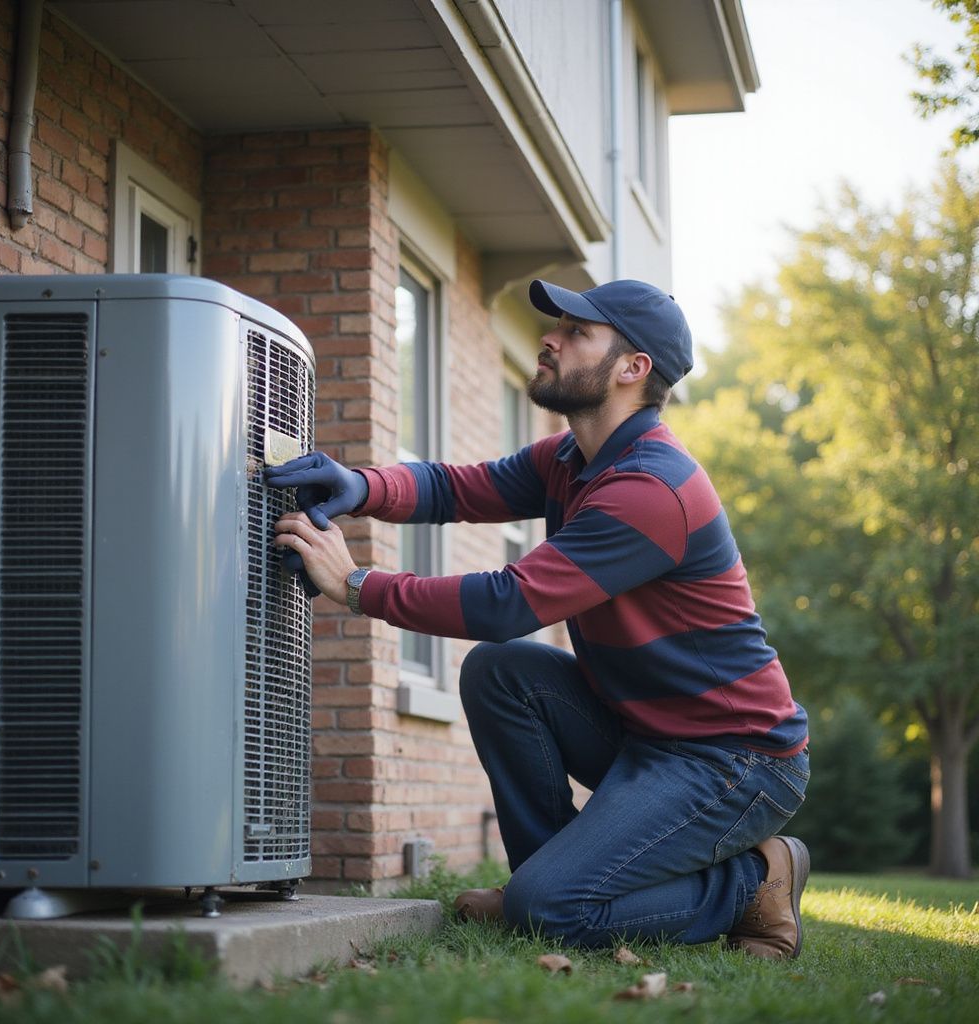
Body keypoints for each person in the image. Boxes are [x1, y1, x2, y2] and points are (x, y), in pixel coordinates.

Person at [265, 278, 810, 959]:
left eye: (577, 332)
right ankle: (545, 879)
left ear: (633, 368)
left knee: (550, 910)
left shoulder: (651, 489)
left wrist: (355, 586)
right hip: (649, 734)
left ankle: (756, 877)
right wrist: (361, 486)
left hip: (734, 757)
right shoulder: (571, 459)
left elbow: (507, 603)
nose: (550, 338)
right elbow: (457, 487)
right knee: (505, 674)